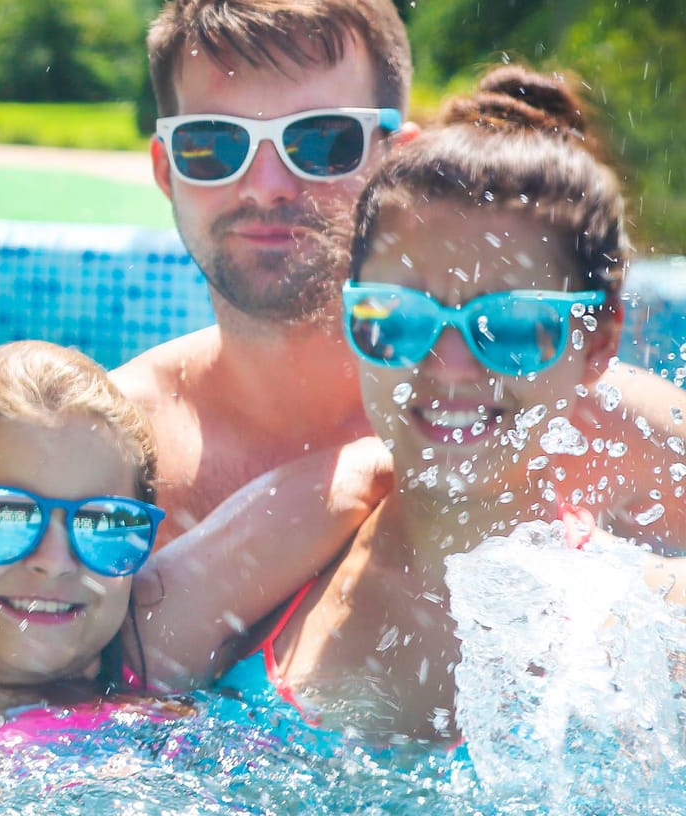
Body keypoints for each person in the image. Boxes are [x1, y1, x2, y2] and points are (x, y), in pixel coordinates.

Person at [225, 68, 686, 746]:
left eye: (514, 324)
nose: (450, 367)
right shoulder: (249, 588)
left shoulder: (655, 625)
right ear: (351, 321)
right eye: (399, 318)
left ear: (597, 344)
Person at [0, 341, 384, 740]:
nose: (56, 561)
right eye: (4, 516)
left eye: (104, 524)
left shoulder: (148, 648)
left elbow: (355, 481)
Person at [116, 0, 419, 537]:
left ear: (398, 166)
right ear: (165, 171)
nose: (266, 187)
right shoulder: (101, 454)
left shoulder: (523, 420)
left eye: (322, 141)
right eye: (214, 144)